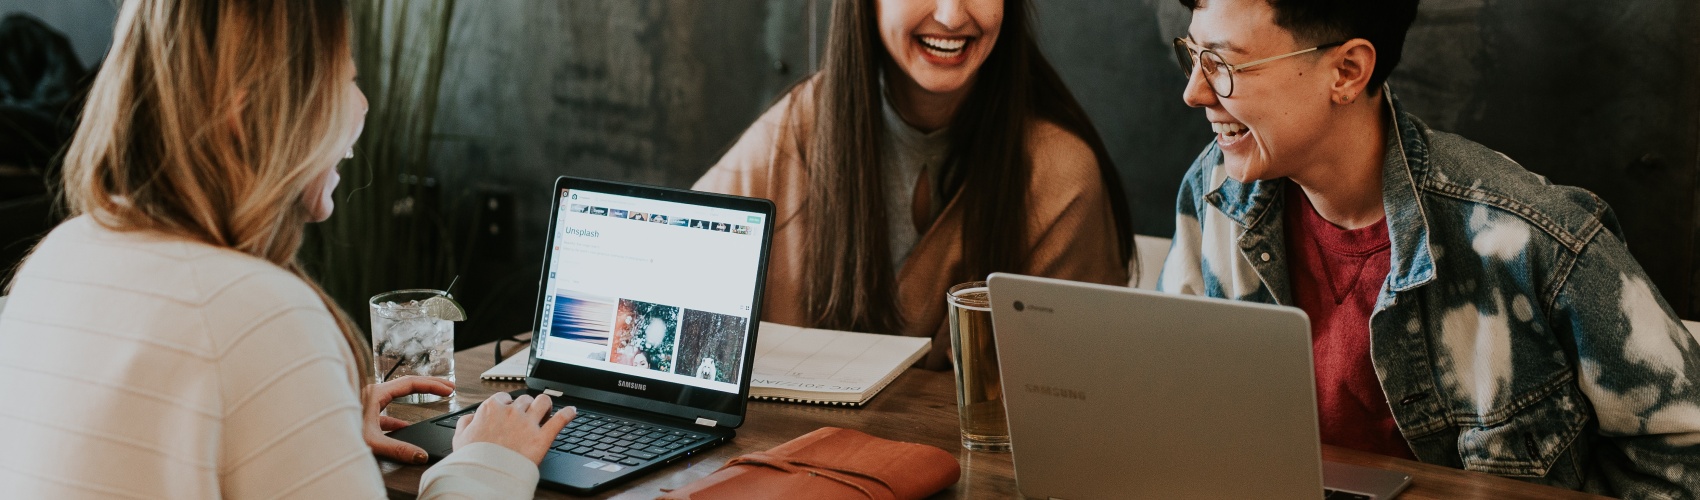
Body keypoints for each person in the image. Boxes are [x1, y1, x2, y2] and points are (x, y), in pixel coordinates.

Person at [0, 1, 575, 497]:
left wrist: (311, 419)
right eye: (345, 80)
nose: (363, 106)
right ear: (250, 114)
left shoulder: (57, 259)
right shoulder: (255, 310)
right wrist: (488, 462)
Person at [1157, 0, 1700, 495]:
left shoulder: (1528, 235)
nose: (1194, 92)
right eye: (1193, 55)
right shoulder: (1216, 194)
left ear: (1347, 72)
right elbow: (1170, 401)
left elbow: (1684, 456)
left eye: (1224, 64)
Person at [694, 0, 1133, 369]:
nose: (951, 16)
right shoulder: (799, 128)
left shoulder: (1060, 174)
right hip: (790, 461)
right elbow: (673, 273)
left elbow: (1074, 402)